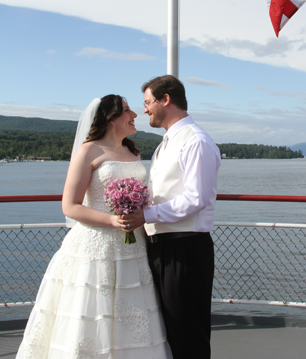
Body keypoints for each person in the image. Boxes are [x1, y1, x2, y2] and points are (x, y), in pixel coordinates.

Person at [16, 95, 172, 359]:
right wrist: (113, 220)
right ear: (111, 120)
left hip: (132, 248)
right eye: (126, 110)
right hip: (94, 247)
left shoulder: (132, 151)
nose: (135, 114)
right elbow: (70, 206)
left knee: (131, 313)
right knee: (90, 314)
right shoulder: (89, 151)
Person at [119, 75, 221, 359]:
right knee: (168, 330)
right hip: (163, 247)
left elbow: (196, 198)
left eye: (148, 102)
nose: (145, 110)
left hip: (185, 249)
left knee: (188, 333)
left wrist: (146, 215)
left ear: (166, 99)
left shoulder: (196, 141)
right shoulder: (168, 142)